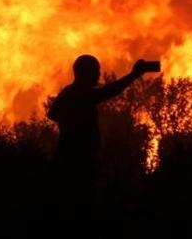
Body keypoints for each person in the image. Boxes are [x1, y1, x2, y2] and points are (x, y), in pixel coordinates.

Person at [47, 56, 158, 197]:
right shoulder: (81, 94)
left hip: (70, 159)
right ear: (86, 72)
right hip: (77, 162)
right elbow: (110, 90)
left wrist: (68, 122)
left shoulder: (70, 92)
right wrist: (133, 75)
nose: (99, 74)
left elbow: (52, 114)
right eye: (96, 70)